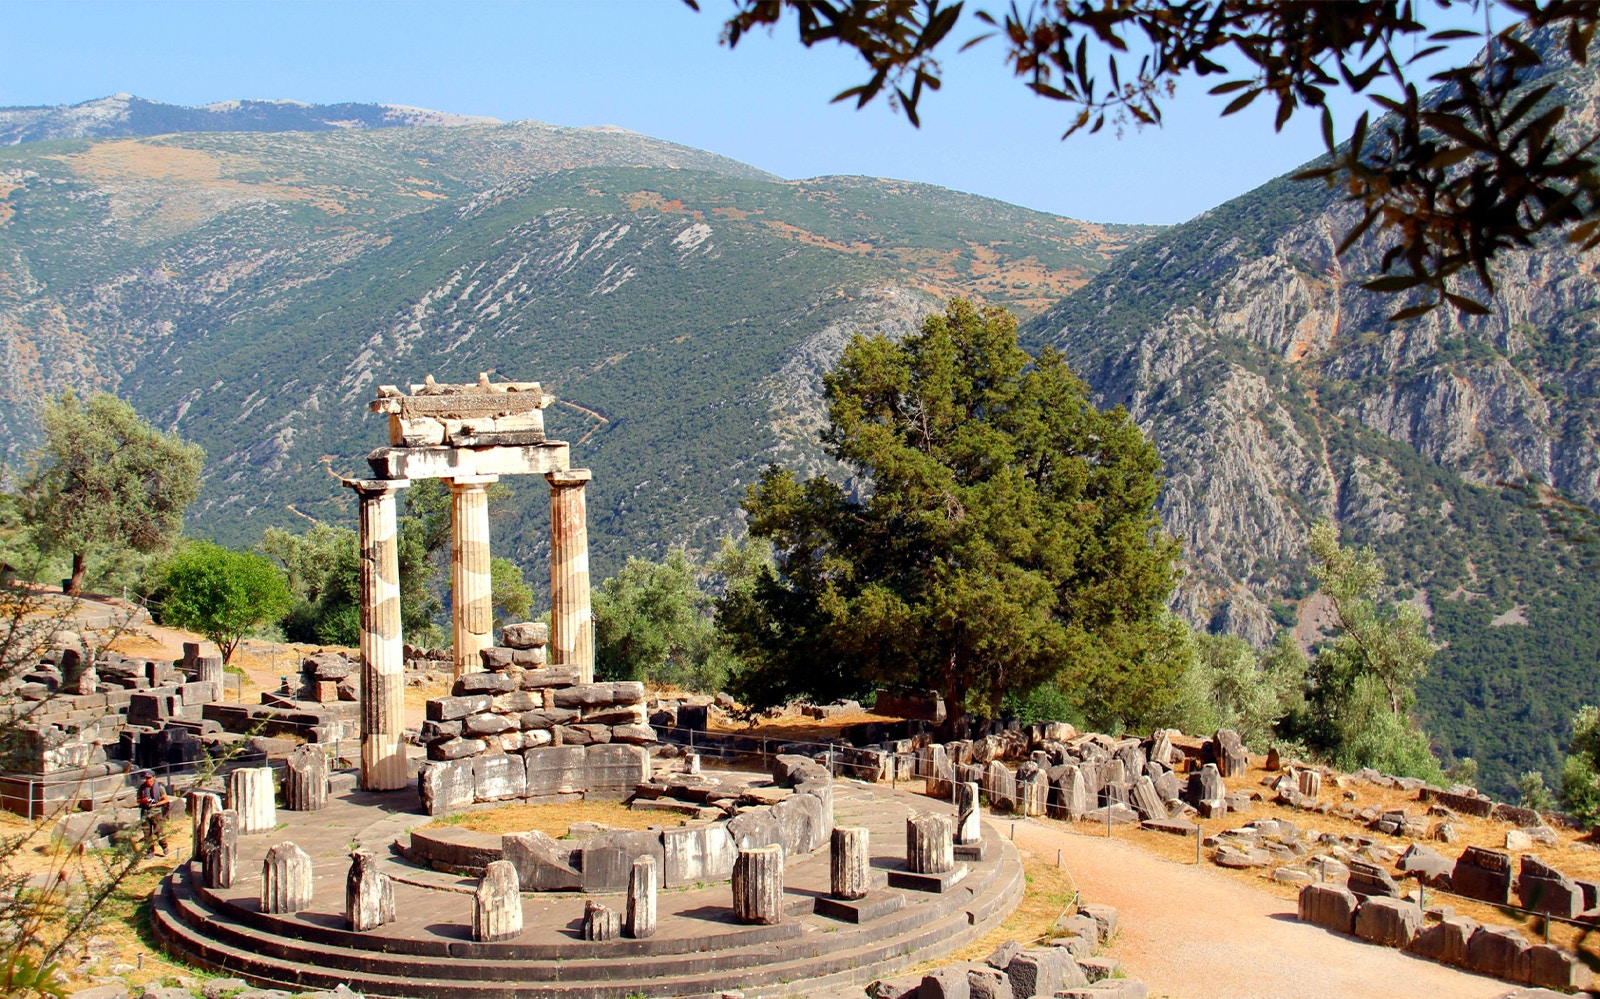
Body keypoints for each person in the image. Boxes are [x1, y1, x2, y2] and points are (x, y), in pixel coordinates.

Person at [136, 771, 172, 856]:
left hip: (156, 812)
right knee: (146, 833)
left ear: (154, 777)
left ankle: (164, 847)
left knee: (159, 831)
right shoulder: (142, 788)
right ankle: (150, 851)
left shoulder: (159, 788)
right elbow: (138, 800)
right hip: (145, 812)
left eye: (149, 778)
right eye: (146, 778)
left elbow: (165, 799)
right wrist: (143, 800)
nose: (148, 780)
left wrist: (155, 804)